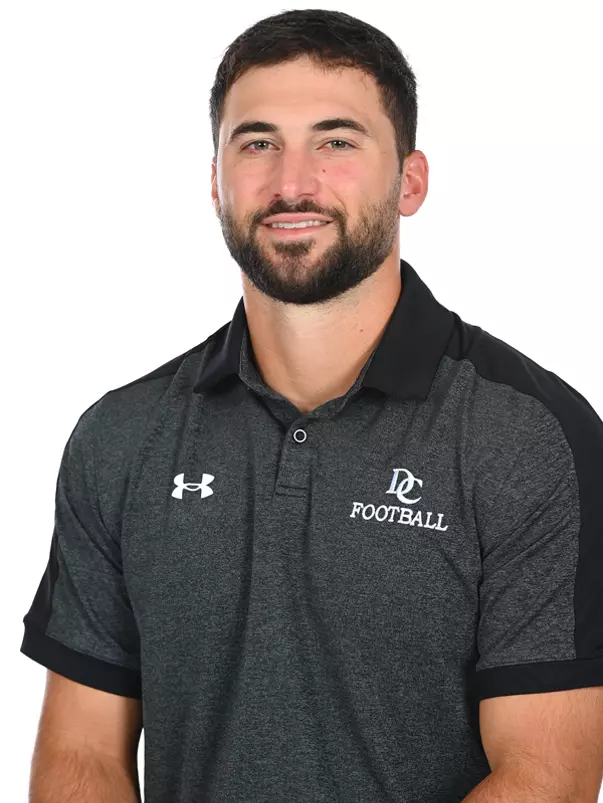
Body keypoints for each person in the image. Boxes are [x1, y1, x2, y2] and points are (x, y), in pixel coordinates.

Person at [20, 9, 603, 803]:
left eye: (336, 141)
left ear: (410, 180)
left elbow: (547, 777)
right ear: (214, 179)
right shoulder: (121, 438)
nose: (291, 181)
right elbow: (82, 755)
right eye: (257, 143)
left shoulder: (528, 436)